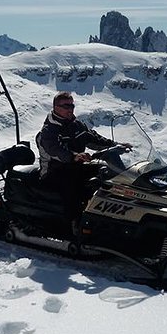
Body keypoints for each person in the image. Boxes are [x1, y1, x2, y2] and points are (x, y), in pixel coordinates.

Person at [36, 91, 129, 231]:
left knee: (104, 171)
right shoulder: (49, 130)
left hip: (75, 166)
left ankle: (115, 212)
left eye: (72, 106)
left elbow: (93, 138)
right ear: (56, 107)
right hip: (53, 171)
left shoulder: (76, 125)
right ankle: (74, 223)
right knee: (73, 184)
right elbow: (54, 150)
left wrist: (115, 145)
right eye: (66, 106)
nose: (70, 109)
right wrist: (74, 155)